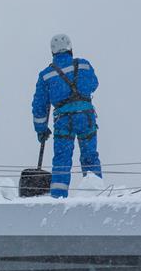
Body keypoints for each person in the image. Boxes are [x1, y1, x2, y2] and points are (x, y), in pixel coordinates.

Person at [32, 34, 102, 198]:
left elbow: (40, 105)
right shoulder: (83, 64)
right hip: (86, 116)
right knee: (90, 155)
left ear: (52, 52)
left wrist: (41, 129)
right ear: (70, 48)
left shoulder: (46, 75)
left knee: (62, 160)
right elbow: (94, 84)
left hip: (64, 119)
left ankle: (58, 196)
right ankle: (95, 192)